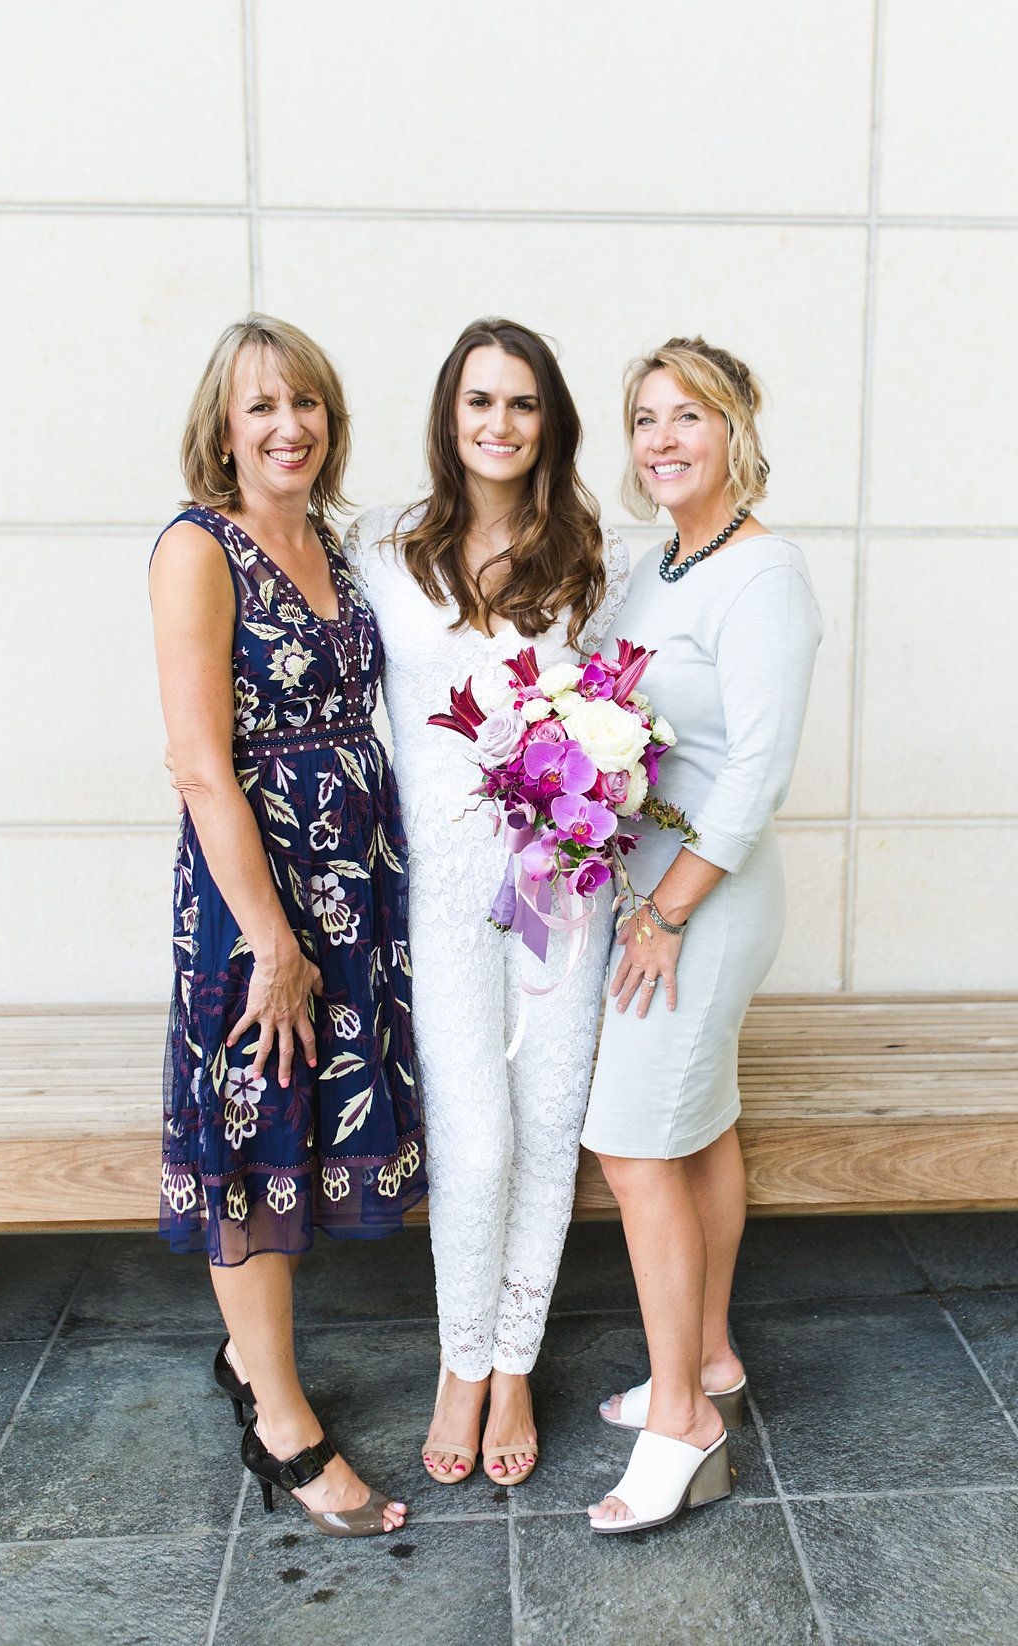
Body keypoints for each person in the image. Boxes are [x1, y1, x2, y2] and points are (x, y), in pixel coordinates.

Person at [149, 314, 425, 1537]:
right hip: (258, 894)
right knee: (257, 1130)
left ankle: (248, 1364)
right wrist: (270, 936)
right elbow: (202, 765)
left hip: (353, 886)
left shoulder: (330, 542)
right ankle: (283, 1426)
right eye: (261, 404)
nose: (288, 424)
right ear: (223, 425)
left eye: (306, 402)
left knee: (306, 1121)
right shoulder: (197, 550)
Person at [342, 318, 629, 1485]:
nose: (499, 424)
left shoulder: (584, 559)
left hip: (561, 890)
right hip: (441, 887)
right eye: (479, 402)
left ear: (547, 421)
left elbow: (618, 713)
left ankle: (516, 1359)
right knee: (475, 1134)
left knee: (547, 1123)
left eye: (521, 403)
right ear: (448, 417)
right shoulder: (384, 550)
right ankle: (460, 1359)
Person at [581, 337, 821, 1533]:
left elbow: (757, 770)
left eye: (688, 415)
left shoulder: (761, 576)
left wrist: (669, 908)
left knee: (632, 1149)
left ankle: (682, 1418)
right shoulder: (655, 564)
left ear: (735, 428)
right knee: (699, 1123)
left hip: (706, 897)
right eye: (643, 418)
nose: (663, 438)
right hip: (652, 879)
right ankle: (711, 1352)